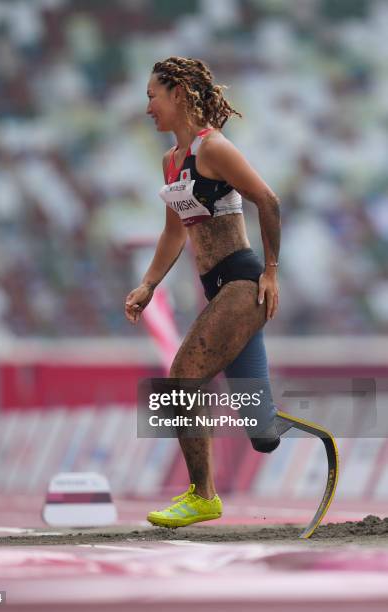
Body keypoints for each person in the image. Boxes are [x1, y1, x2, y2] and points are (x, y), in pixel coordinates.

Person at [125, 56, 281, 528]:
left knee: (181, 378)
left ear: (177, 94)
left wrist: (271, 273)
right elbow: (175, 231)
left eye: (152, 95)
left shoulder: (214, 149)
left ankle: (202, 495)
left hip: (242, 283)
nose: (147, 106)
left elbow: (268, 200)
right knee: (263, 431)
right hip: (219, 291)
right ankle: (269, 429)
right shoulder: (172, 162)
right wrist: (149, 285)